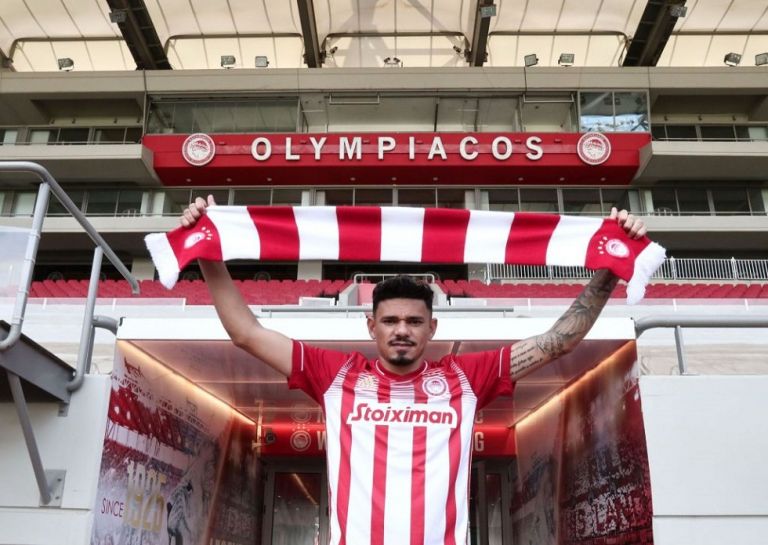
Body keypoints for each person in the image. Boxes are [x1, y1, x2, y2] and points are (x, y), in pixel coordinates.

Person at [180, 196, 646, 545]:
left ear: (432, 328)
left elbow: (558, 341)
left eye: (414, 321)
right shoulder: (336, 374)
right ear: (371, 326)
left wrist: (609, 269)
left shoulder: (465, 378)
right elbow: (246, 332)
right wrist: (206, 252)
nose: (401, 330)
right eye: (390, 321)